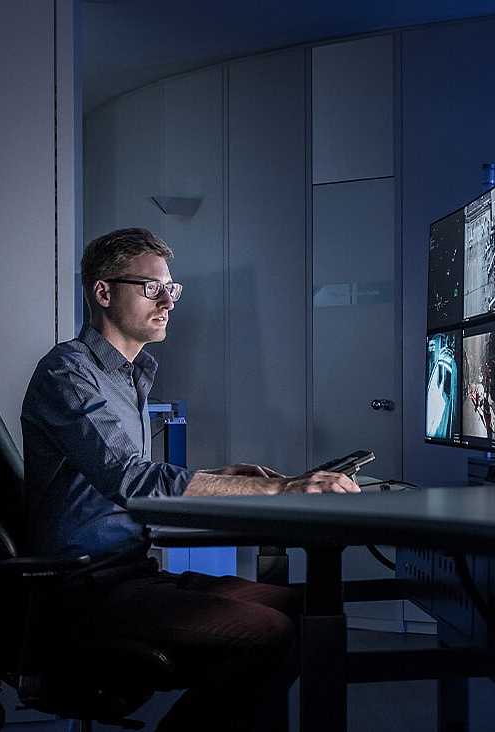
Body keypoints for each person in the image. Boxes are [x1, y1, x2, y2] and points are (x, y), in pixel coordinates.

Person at [21, 227, 358, 732]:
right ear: (103, 291)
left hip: (130, 573)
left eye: (171, 290)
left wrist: (218, 477)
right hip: (85, 589)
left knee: (305, 611)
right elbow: (130, 480)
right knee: (269, 634)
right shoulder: (67, 373)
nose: (168, 301)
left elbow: (115, 477)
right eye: (152, 287)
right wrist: (281, 487)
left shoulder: (130, 376)